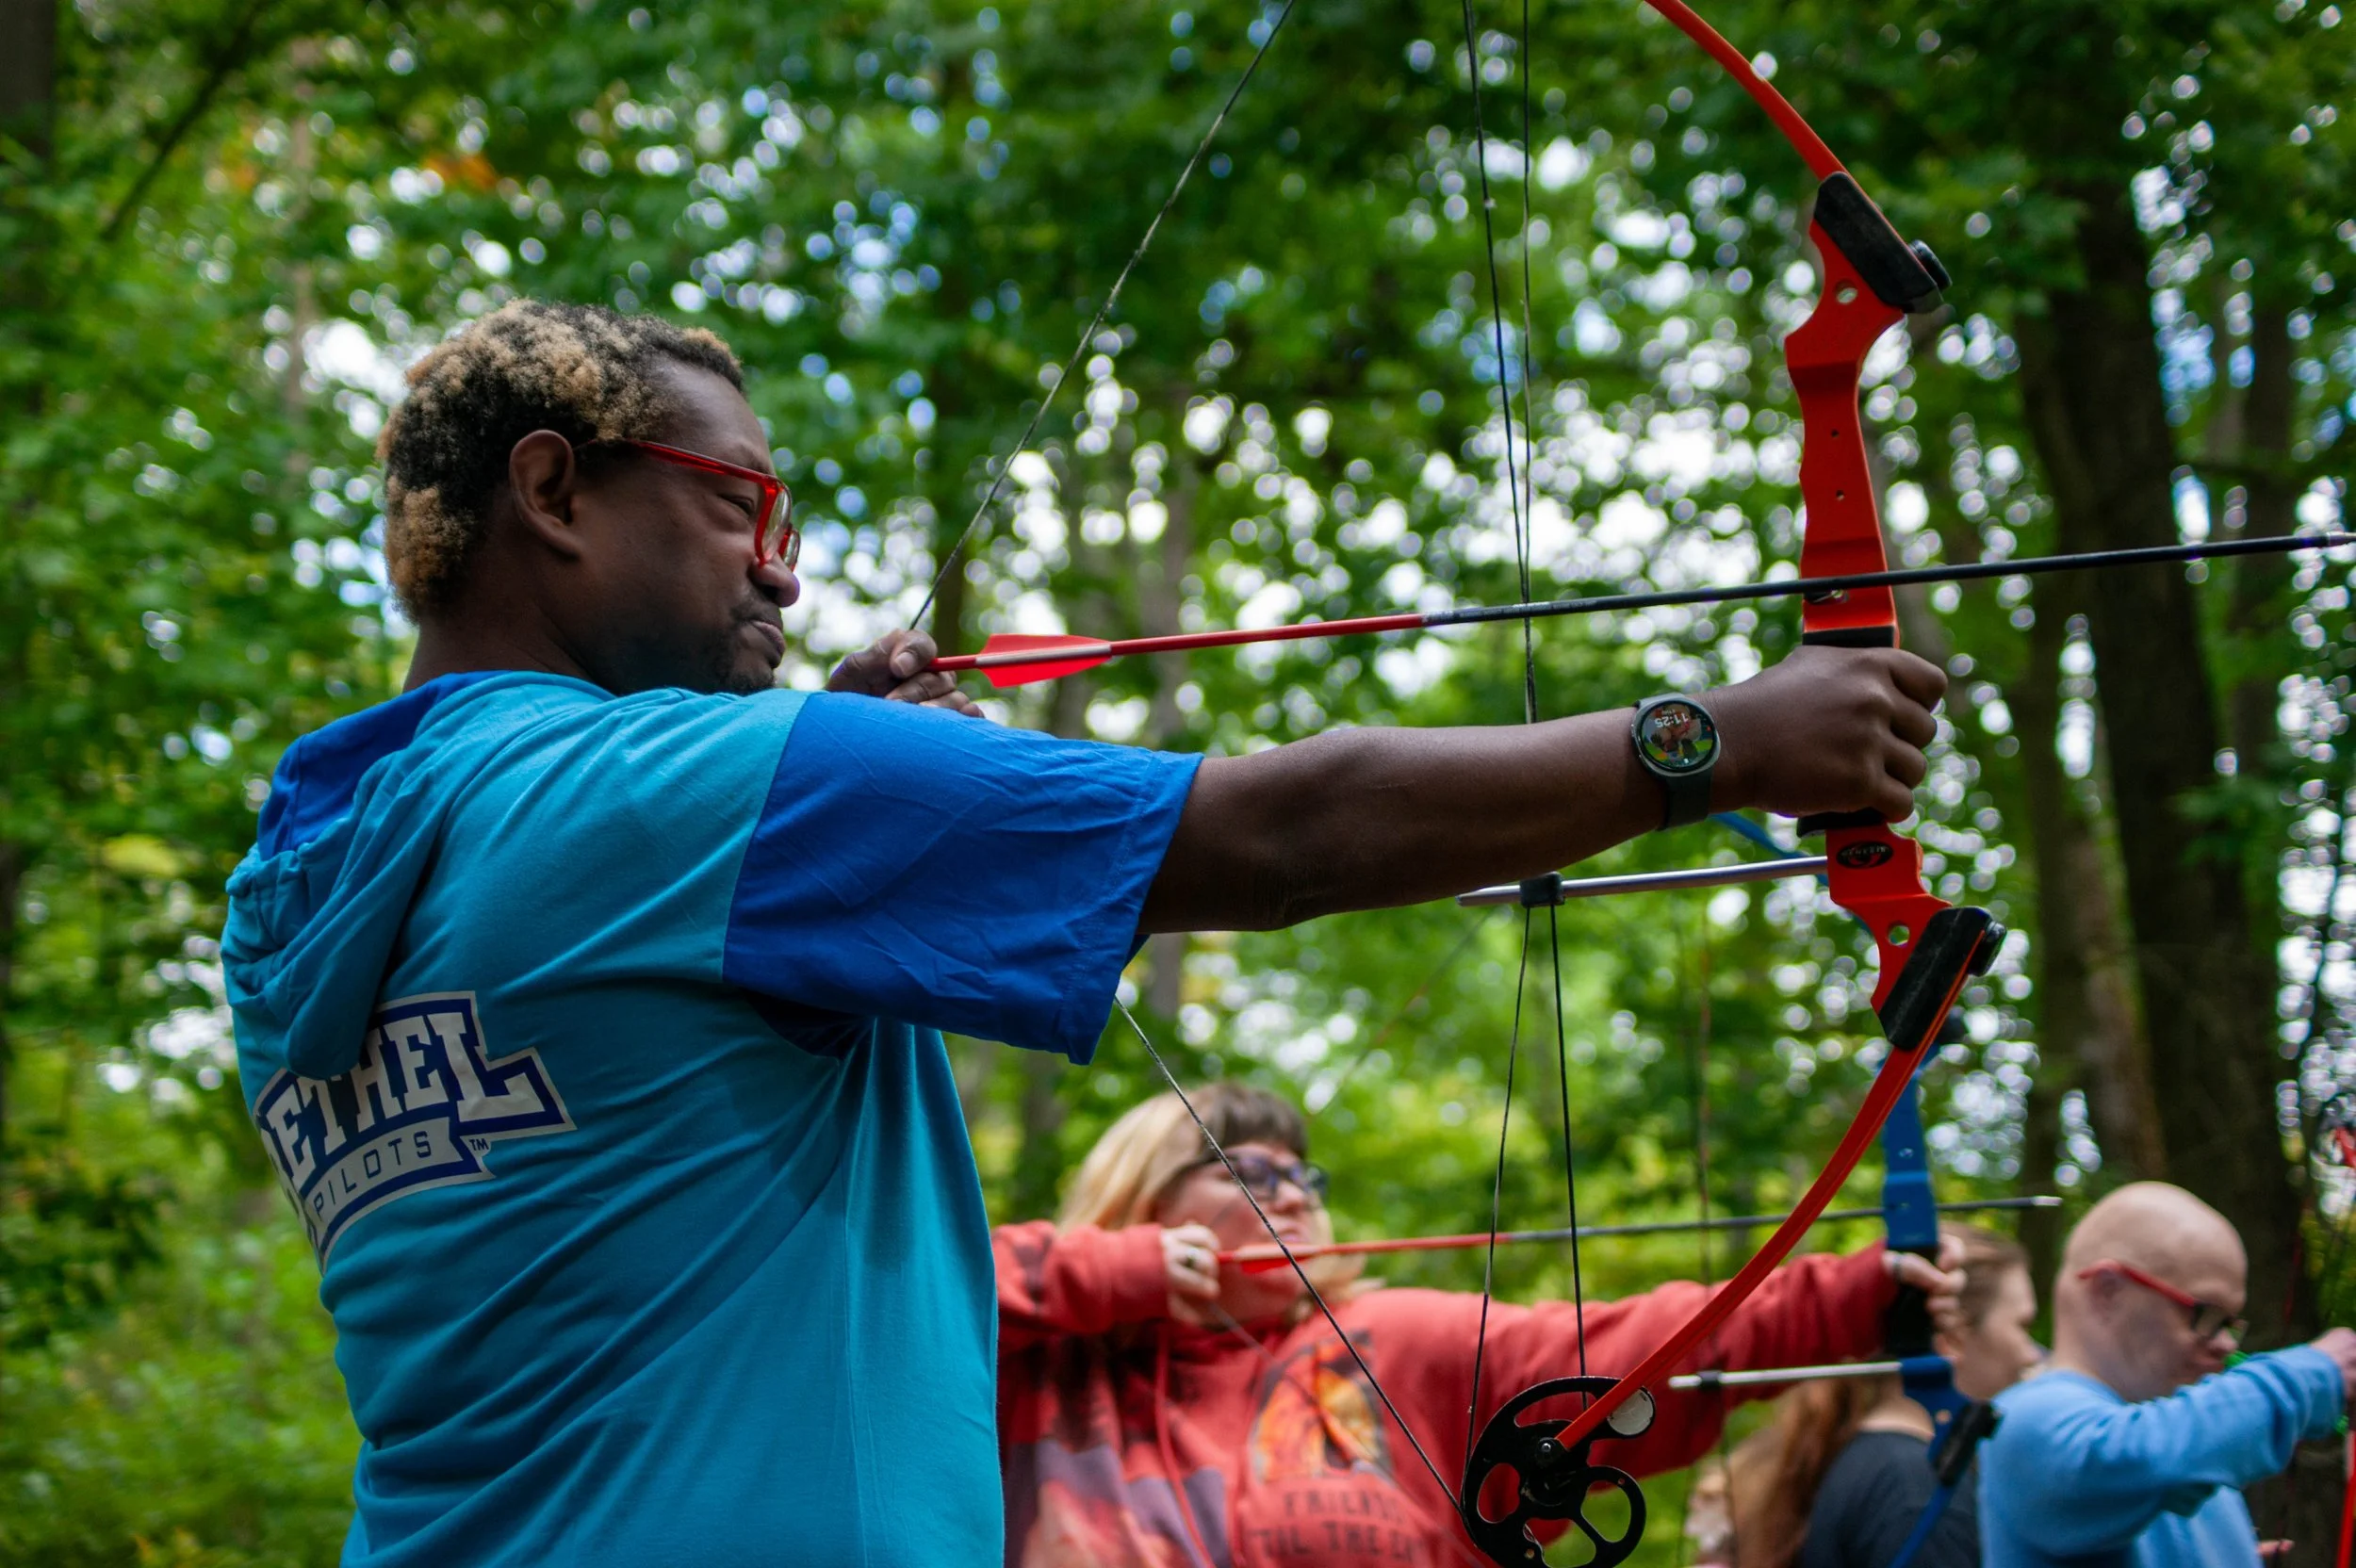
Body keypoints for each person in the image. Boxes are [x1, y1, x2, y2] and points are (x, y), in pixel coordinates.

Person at [222, 299, 1953, 1567]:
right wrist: (1717, 739)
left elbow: (633, 1090)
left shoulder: (299, 886)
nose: (782, 569)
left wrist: (837, 775)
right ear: (553, 488)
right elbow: (1286, 830)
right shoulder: (678, 797)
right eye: (739, 502)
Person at [992, 1084, 1970, 1568]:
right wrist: (1115, 1272)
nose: (1295, 1195)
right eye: (1249, 1173)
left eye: (1307, 1177)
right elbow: (894, 1296)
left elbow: (1613, 1350)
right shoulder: (1040, 1356)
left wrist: (1856, 1294)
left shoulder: (1386, 1337)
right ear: (1141, 1199)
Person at [1979, 1182, 2356, 1566]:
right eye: (2204, 1313)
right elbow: (2140, 1456)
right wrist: (2313, 1376)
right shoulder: (2026, 1419)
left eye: (2229, 1322)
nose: (2225, 1344)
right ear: (2108, 1291)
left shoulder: (2178, 1440)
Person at [1721, 1225, 2041, 1567]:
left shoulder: (1879, 1461)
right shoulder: (1914, 1490)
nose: (2031, 1355)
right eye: (2021, 1327)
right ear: (1951, 1339)